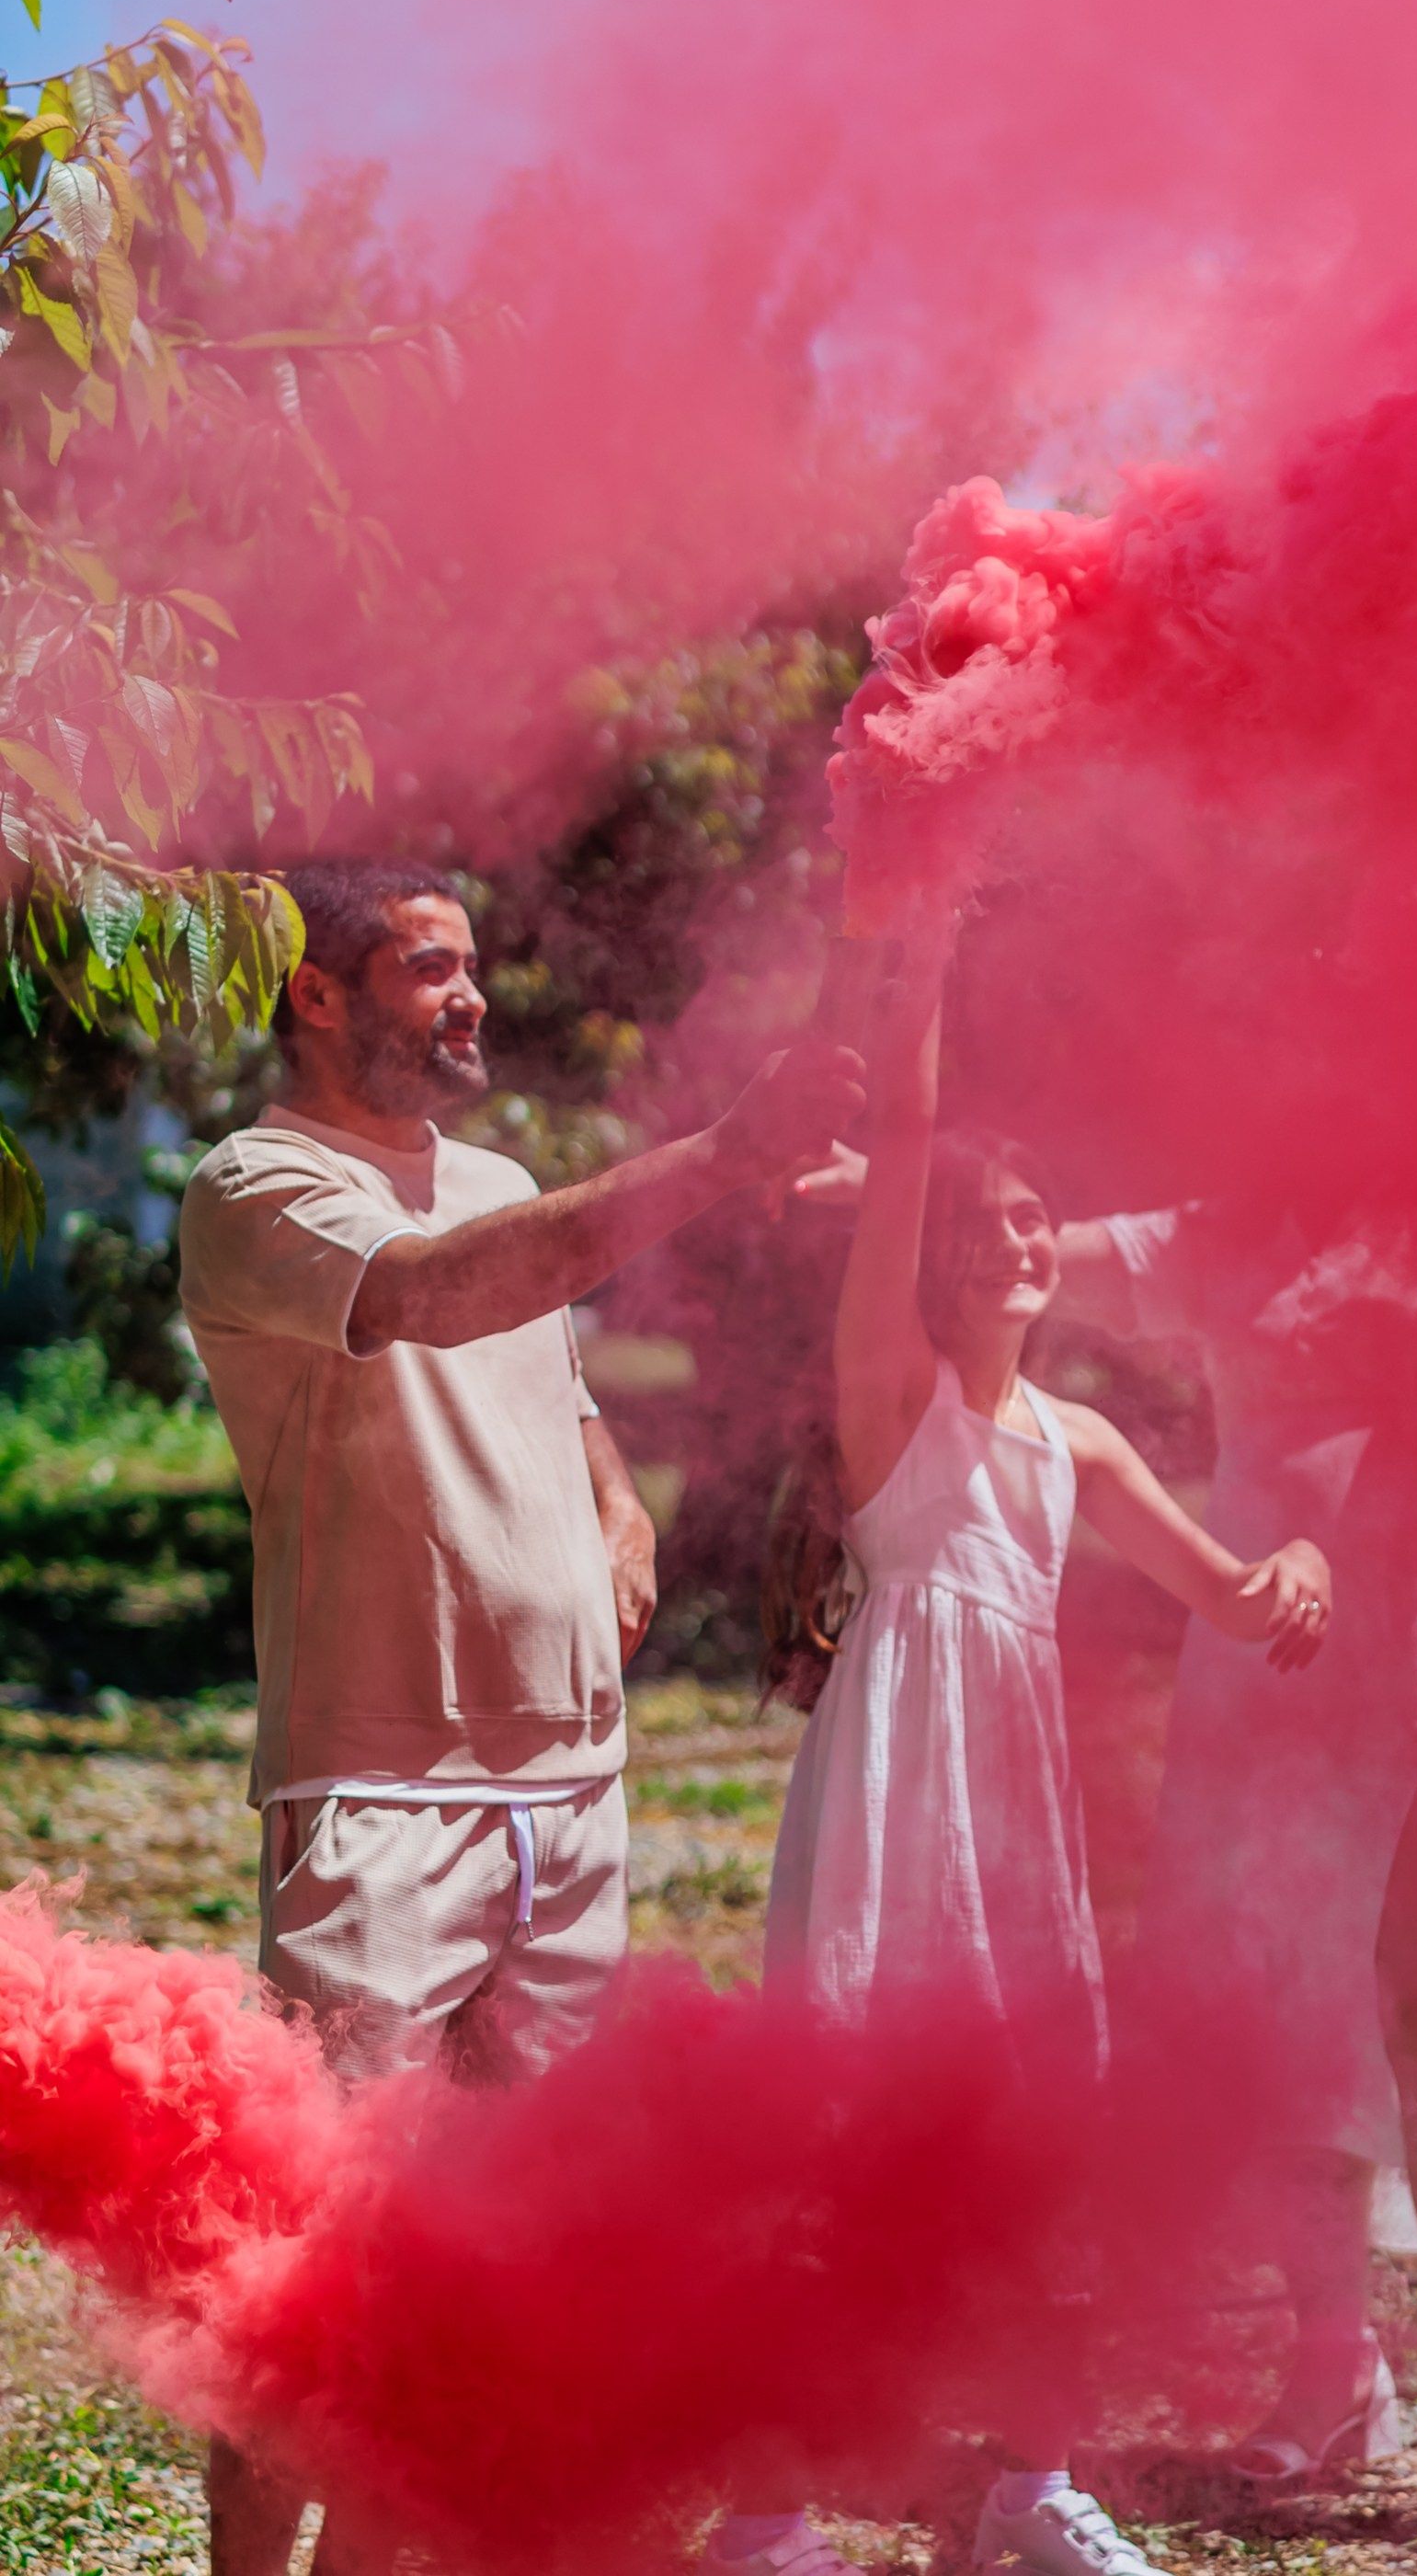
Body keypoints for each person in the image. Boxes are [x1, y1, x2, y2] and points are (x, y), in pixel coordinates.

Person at [179, 856, 864, 2576]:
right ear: (317, 996)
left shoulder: (496, 1176)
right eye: (427, 968)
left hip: (569, 1800)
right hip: (382, 1794)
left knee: (492, 2266)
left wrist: (618, 1506)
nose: (470, 995)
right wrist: (722, 1157)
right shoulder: (258, 1186)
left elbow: (550, 1386)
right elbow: (437, 1294)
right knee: (322, 2256)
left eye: (471, 965)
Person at [781, 1152, 1417, 2550]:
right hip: (1225, 1695)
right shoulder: (1207, 1236)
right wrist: (897, 1166)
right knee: (1273, 1998)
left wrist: (1297, 1565)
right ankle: (1329, 2357)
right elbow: (1014, 1239)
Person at [722, 920, 1331, 2576]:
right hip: (890, 1804)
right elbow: (912, 1139)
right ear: (926, 1258)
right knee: (843, 2157)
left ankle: (1031, 2492)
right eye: (981, 1221)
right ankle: (763, 2522)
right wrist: (919, 962)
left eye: (1034, 1213)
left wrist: (1302, 1562)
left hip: (1014, 1833)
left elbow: (1234, 1595)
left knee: (1041, 2153)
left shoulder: (1080, 1441)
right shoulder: (891, 1394)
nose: (1014, 1237)